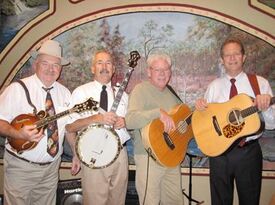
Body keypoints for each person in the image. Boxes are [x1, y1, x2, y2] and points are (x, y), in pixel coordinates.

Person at [195, 38, 275, 205]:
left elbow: (272, 124)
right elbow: (205, 120)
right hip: (219, 155)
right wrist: (200, 108)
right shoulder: (214, 86)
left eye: (236, 54)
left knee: (250, 201)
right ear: (222, 60)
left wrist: (266, 107)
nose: (232, 58)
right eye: (227, 55)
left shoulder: (260, 83)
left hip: (248, 153)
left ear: (243, 57)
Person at [0, 40, 73, 205]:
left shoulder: (65, 93)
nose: (50, 69)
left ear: (60, 69)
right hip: (21, 167)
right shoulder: (17, 89)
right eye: (45, 63)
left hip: (51, 169)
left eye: (55, 65)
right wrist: (17, 133)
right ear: (36, 64)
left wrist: (75, 153)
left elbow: (67, 129)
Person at [65, 50, 130, 205]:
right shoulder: (81, 92)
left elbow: (129, 123)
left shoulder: (124, 96)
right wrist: (96, 118)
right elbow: (69, 127)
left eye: (108, 63)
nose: (104, 66)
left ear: (113, 69)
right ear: (92, 68)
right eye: (99, 62)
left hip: (120, 155)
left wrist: (124, 121)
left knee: (118, 201)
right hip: (93, 154)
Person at [125, 54, 185, 205]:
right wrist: (158, 113)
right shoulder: (140, 90)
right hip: (148, 157)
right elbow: (130, 121)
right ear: (149, 72)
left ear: (170, 73)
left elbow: (183, 122)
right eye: (157, 69)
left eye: (165, 69)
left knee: (175, 202)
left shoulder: (171, 93)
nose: (162, 73)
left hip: (171, 157)